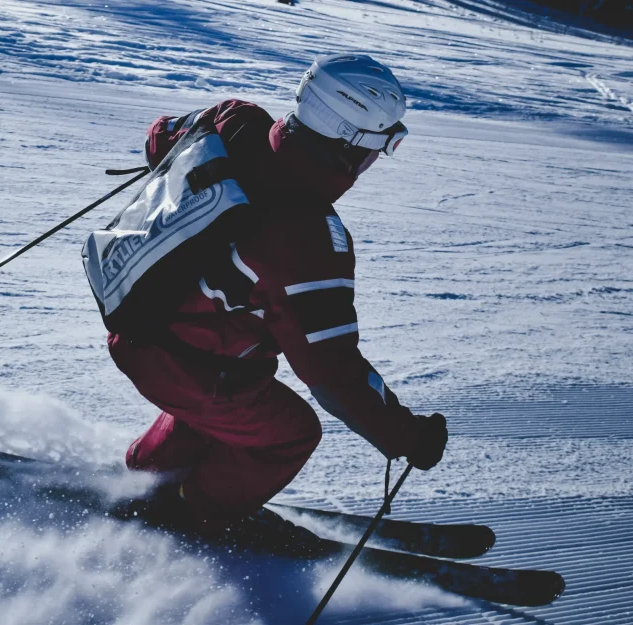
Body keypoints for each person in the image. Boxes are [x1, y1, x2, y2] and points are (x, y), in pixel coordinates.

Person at [109, 53, 448, 529]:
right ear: (350, 142)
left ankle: (146, 477)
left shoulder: (235, 120)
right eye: (383, 145)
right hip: (185, 365)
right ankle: (191, 515)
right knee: (289, 433)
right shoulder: (308, 237)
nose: (377, 159)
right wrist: (408, 437)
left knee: (236, 394)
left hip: (132, 319)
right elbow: (332, 373)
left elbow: (159, 137)